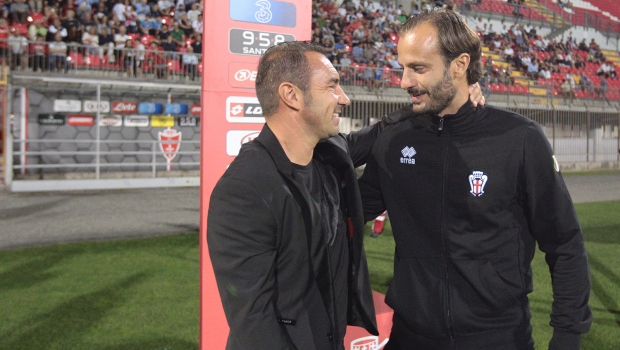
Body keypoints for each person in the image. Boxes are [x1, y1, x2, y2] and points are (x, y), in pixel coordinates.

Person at [358, 9, 592, 350]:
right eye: (403, 67)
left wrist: (568, 335)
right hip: (410, 336)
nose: (404, 81)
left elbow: (564, 242)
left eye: (418, 68)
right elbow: (348, 209)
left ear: (459, 64)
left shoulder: (519, 138)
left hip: (498, 337)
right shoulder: (395, 139)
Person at [207, 41, 381, 350]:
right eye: (332, 86)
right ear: (292, 95)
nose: (345, 98)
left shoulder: (328, 157)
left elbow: (379, 135)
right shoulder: (245, 189)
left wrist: (449, 100)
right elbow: (255, 324)